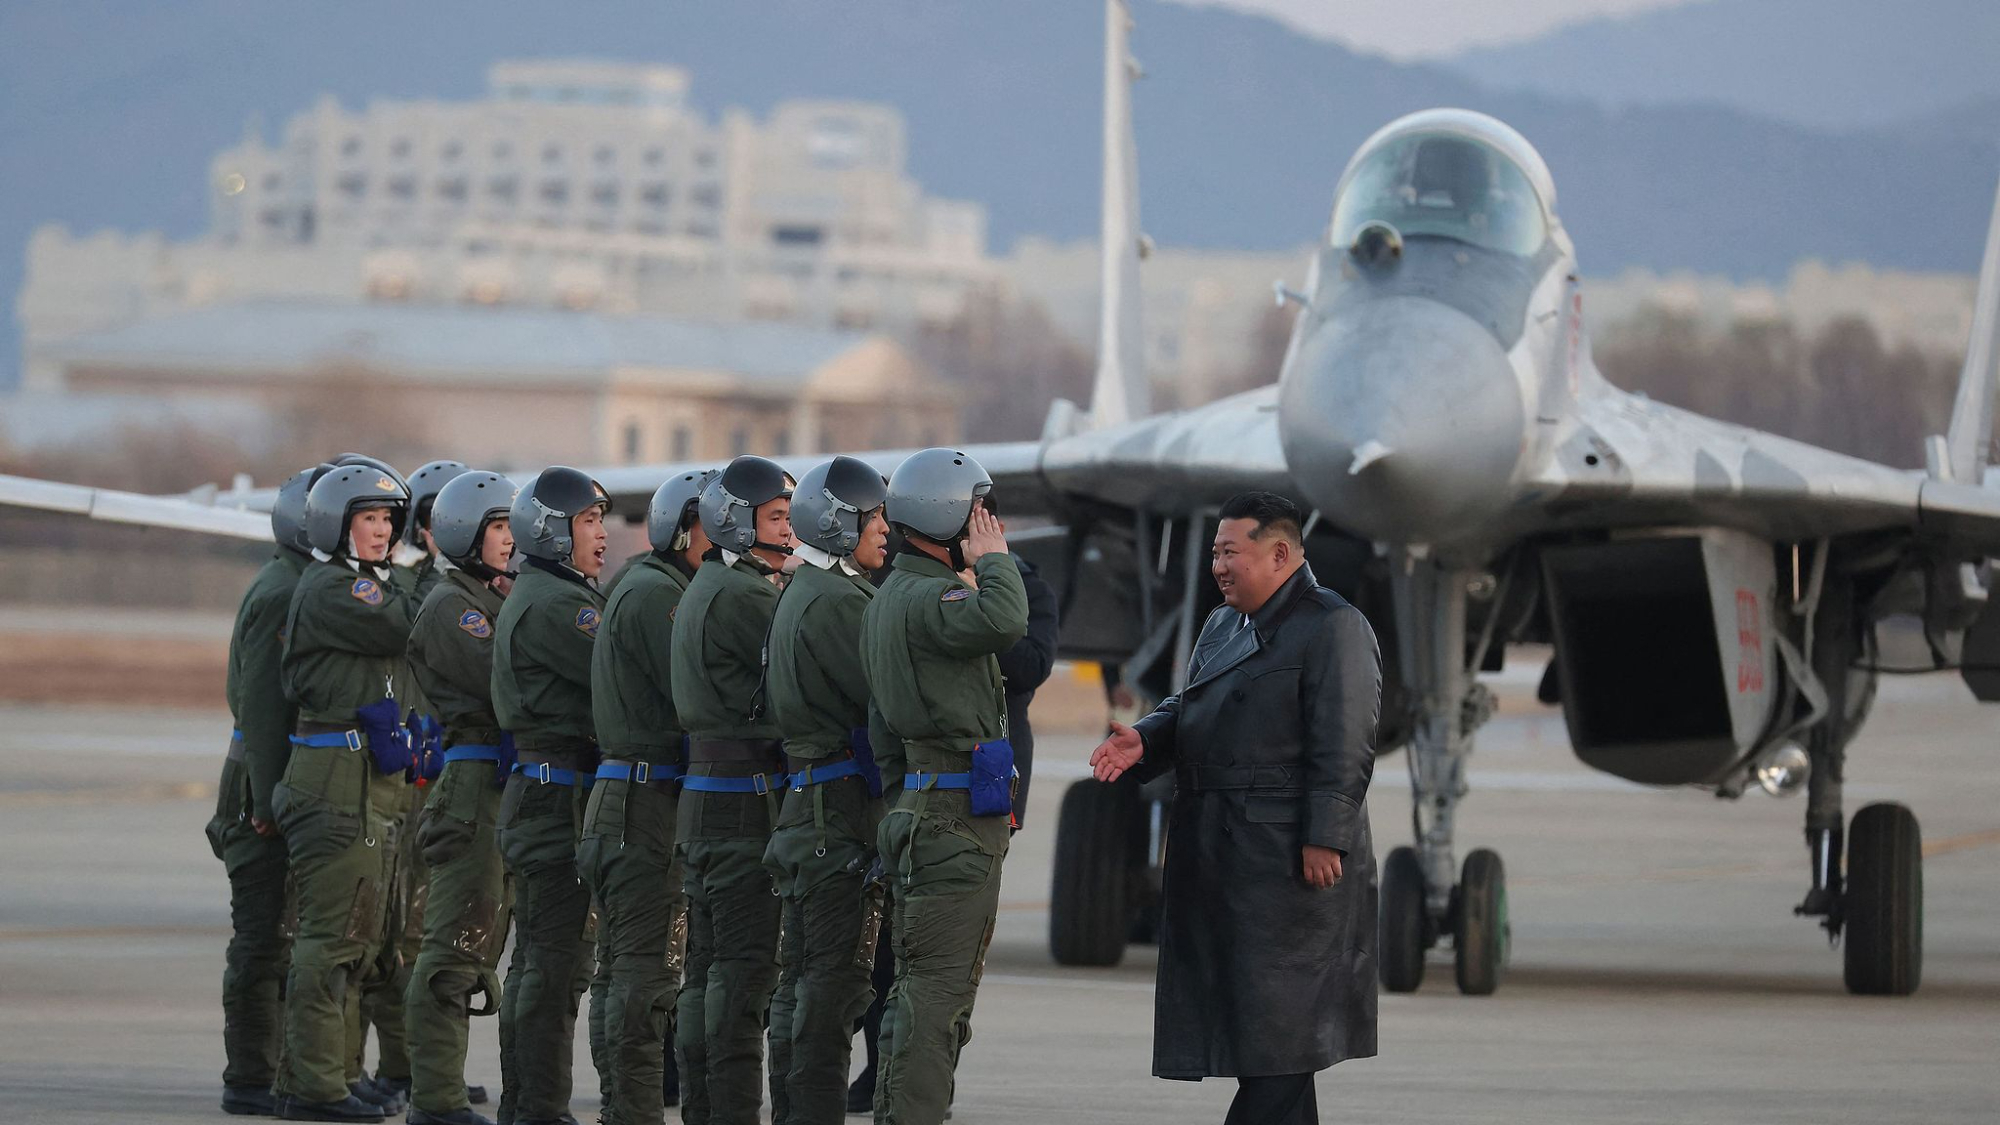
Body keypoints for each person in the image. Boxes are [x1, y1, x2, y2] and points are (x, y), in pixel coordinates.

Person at [1089, 491, 1381, 1125]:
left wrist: (1327, 835)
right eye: (1216, 553)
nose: (1218, 566)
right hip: (1222, 857)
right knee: (1268, 1039)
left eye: (1230, 553)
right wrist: (1148, 738)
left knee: (1281, 1038)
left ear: (1279, 554)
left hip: (1287, 863)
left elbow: (1347, 740)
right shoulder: (1224, 624)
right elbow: (1193, 705)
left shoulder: (1333, 625)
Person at [859, 448, 1027, 1125]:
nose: (988, 524)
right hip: (955, 819)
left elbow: (881, 730)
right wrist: (995, 561)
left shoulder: (887, 598)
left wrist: (904, 801)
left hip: (919, 804)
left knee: (913, 991)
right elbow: (1006, 621)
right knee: (937, 996)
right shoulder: (937, 597)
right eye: (977, 512)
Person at [273, 462, 420, 1123]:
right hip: (334, 779)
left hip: (362, 775)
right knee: (331, 939)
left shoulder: (367, 582)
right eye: (369, 518)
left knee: (358, 940)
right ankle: (313, 1086)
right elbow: (407, 624)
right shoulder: (337, 587)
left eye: (389, 519)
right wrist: (430, 572)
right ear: (336, 524)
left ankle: (330, 1073)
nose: (384, 531)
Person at [579, 467, 716, 1125]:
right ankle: (631, 1109)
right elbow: (697, 688)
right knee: (645, 976)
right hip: (644, 804)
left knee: (621, 971)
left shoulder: (647, 585)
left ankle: (622, 1104)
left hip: (630, 797)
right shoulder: (658, 594)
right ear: (684, 530)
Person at [763, 456, 890, 1125]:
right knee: (833, 986)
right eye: (874, 518)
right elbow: (885, 697)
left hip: (808, 801)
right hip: (835, 811)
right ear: (840, 523)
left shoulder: (804, 588)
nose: (885, 529)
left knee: (799, 981)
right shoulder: (839, 601)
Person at [670, 455, 795, 1125]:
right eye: (776, 518)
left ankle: (702, 1108)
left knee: (705, 972)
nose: (791, 529)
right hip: (743, 800)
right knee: (743, 977)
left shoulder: (706, 583)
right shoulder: (748, 594)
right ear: (739, 524)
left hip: (704, 795)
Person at [490, 466, 611, 1125]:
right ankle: (539, 1105)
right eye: (588, 522)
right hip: (554, 797)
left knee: (540, 961)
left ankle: (525, 1102)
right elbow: (622, 677)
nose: (601, 535)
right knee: (554, 964)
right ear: (552, 532)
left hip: (545, 790)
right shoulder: (559, 606)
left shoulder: (547, 593)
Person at [207, 463, 326, 1117]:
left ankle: (282, 1068)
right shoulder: (285, 591)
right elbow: (259, 706)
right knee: (263, 937)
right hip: (262, 786)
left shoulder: (302, 583)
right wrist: (266, 798)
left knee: (290, 932)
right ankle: (250, 1074)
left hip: (277, 781)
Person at [401, 470, 518, 1125]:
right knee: (453, 950)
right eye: (498, 527)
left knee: (482, 948)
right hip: (473, 788)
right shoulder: (453, 607)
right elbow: (509, 680)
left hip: (501, 786)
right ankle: (436, 1098)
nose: (509, 539)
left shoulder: (491, 597)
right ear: (466, 534)